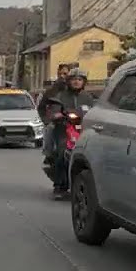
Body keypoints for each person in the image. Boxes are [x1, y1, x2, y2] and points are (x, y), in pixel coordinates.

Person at [42, 69, 96, 199]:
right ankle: (59, 186)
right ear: (68, 82)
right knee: (62, 152)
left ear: (84, 82)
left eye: (79, 79)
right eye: (74, 79)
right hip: (64, 129)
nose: (77, 82)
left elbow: (95, 112)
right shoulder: (60, 96)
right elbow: (53, 111)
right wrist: (58, 115)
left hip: (83, 130)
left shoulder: (88, 98)